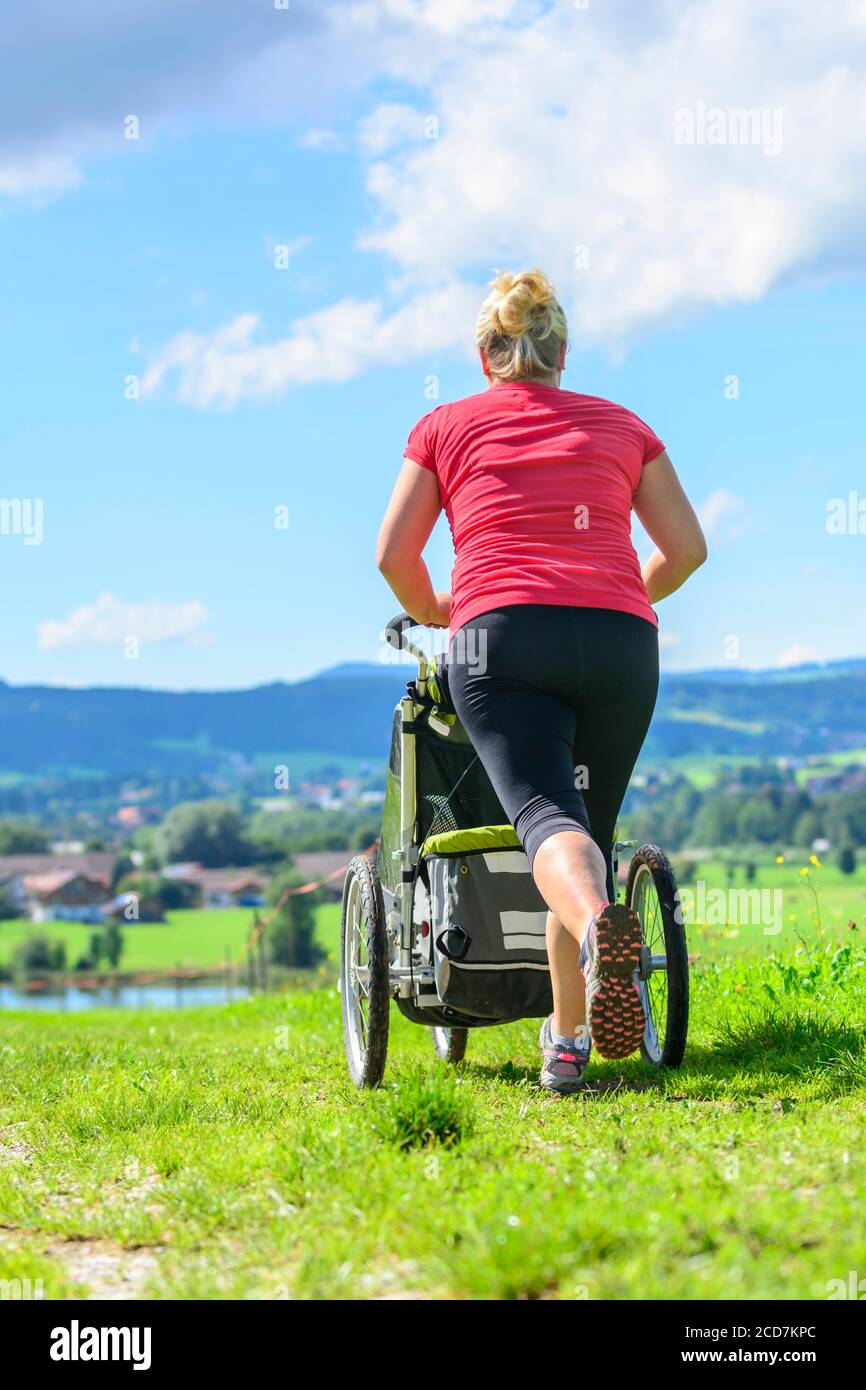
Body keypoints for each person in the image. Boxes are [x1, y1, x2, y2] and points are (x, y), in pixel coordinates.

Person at [377, 268, 707, 1092]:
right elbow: (688, 549)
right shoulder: (623, 425)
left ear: (485, 355)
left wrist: (443, 610)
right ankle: (565, 1043)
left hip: (501, 638)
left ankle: (600, 929)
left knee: (548, 821)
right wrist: (624, 588)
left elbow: (394, 557)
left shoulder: (444, 427)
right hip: (621, 639)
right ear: (562, 352)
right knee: (586, 834)